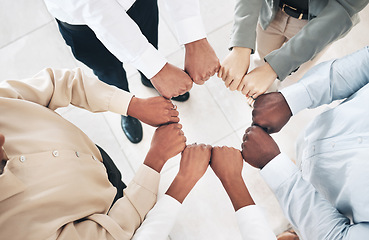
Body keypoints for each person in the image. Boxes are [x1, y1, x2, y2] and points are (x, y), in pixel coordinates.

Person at [0, 67, 205, 239]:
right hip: (108, 210)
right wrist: (156, 159)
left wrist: (133, 105)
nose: (3, 138)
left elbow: (60, 83)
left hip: (96, 160)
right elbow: (111, 233)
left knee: (116, 177)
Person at [43, 0, 220, 143]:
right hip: (82, 23)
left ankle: (148, 80)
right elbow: (93, 6)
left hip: (139, 3)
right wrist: (157, 69)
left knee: (151, 42)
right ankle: (126, 107)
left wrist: (194, 38)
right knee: (108, 73)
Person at [241, 46, 369, 239]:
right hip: (313, 140)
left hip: (327, 201)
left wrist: (272, 164)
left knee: (306, 219)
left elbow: (336, 236)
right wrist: (295, 97)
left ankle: (297, 231)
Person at [218, 0, 368, 100]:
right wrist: (240, 45)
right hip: (271, 9)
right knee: (262, 55)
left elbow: (343, 8)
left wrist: (273, 68)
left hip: (317, 26)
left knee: (296, 73)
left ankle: (280, 95)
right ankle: (262, 92)